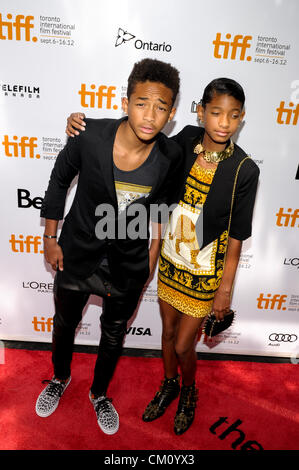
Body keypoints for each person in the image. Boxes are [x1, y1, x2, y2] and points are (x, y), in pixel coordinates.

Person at [65, 77, 259, 435]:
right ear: (201, 113)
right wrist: (83, 124)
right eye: (215, 113)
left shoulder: (245, 170)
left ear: (241, 118)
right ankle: (169, 383)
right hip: (170, 257)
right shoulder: (184, 139)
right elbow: (141, 132)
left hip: (204, 268)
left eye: (232, 116)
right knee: (167, 335)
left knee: (185, 343)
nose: (223, 122)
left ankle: (188, 391)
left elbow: (236, 237)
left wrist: (225, 290)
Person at [35, 58, 183, 436]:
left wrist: (151, 258)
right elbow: (58, 181)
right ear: (124, 102)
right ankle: (60, 377)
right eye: (141, 103)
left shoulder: (170, 155)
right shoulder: (89, 135)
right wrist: (49, 239)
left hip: (128, 264)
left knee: (114, 332)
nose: (150, 115)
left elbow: (162, 210)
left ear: (172, 112)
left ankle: (99, 393)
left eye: (161, 107)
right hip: (76, 253)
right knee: (64, 323)